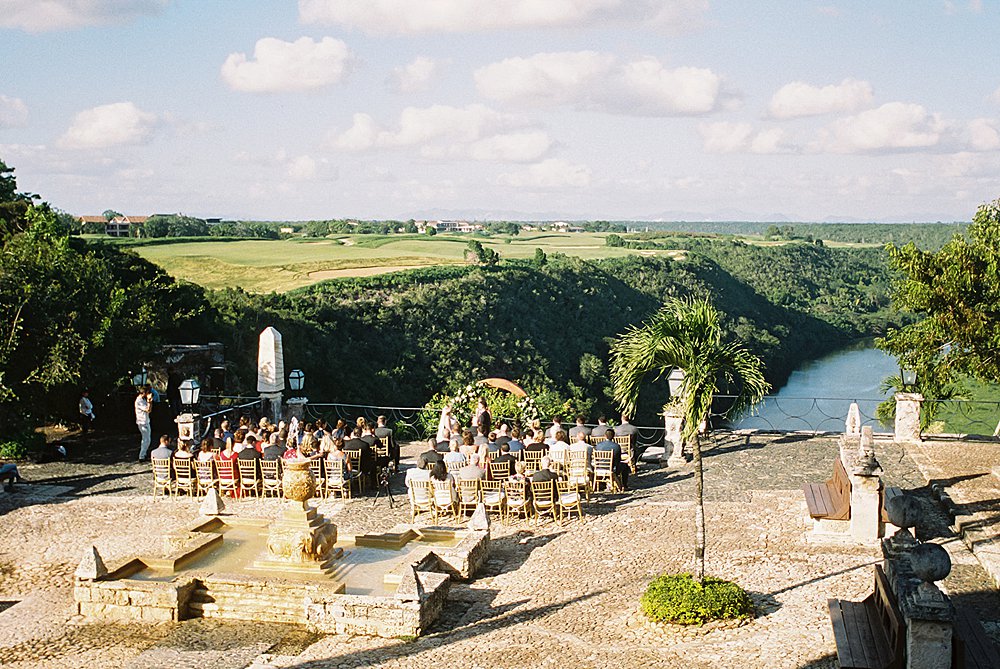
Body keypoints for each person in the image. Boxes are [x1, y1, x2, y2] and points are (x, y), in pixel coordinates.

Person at [135, 386, 152, 461]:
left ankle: (143, 454)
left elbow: (149, 409)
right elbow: (148, 409)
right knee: (146, 439)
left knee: (146, 439)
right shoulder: (139, 401)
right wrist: (149, 401)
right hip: (142, 422)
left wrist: (149, 401)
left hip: (145, 420)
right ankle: (142, 455)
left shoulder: (142, 399)